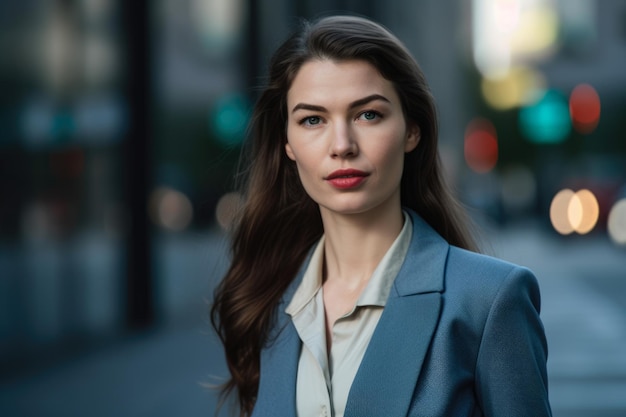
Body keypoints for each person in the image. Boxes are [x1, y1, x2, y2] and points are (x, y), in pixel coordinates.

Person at [211, 14, 551, 417]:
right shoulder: (267, 305)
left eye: (367, 114)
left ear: (412, 130)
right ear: (288, 143)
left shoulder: (489, 300)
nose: (341, 145)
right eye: (312, 120)